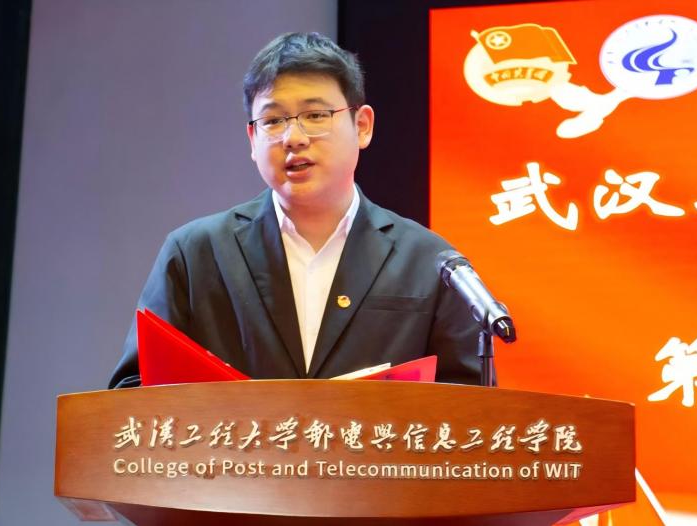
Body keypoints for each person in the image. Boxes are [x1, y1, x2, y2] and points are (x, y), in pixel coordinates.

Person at [108, 32, 481, 388]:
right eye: (273, 121)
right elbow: (135, 391)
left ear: (362, 126)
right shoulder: (196, 254)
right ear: (253, 139)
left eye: (315, 115)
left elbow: (470, 407)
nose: (294, 138)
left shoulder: (430, 262)